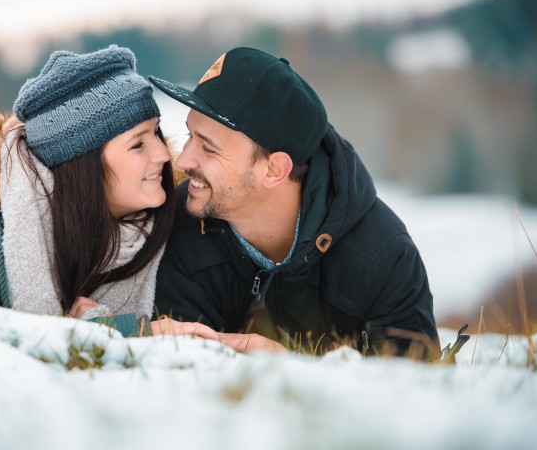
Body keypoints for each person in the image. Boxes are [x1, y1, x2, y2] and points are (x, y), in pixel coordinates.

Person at [147, 47, 440, 358]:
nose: (185, 159)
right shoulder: (178, 225)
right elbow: (179, 377)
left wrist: (295, 365)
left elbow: (414, 390)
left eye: (209, 148)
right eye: (191, 135)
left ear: (274, 170)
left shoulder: (382, 255)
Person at [0, 46, 175, 336]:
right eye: (138, 144)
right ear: (82, 165)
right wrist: (98, 331)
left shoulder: (174, 221)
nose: (163, 153)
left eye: (157, 132)